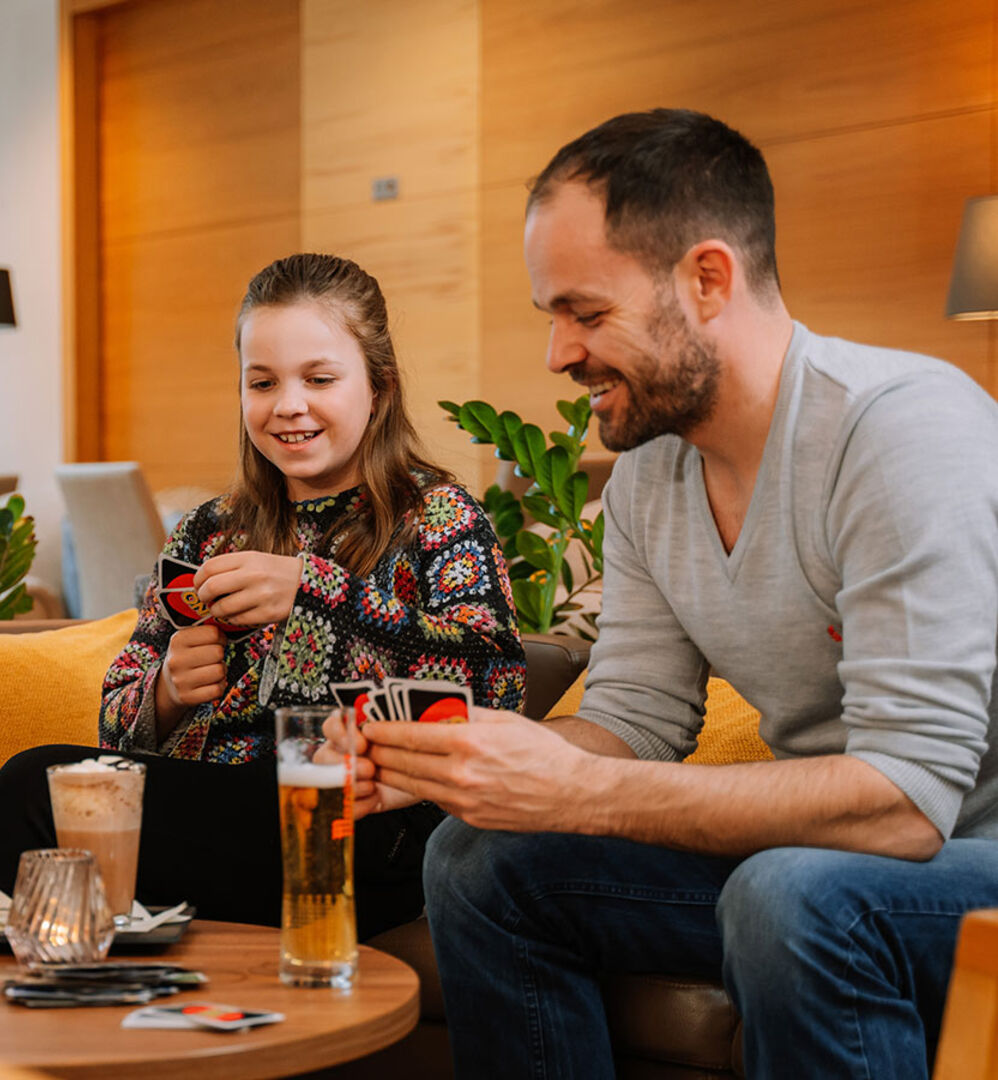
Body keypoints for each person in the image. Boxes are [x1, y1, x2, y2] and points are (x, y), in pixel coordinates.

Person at [359, 109, 998, 1078]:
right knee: (477, 862)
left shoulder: (901, 432)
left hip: (961, 854)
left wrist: (591, 790)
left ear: (705, 279)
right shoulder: (652, 477)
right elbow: (631, 719)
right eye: (551, 317)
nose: (557, 355)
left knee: (792, 898)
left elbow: (907, 804)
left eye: (584, 312)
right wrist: (456, 762)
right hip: (821, 868)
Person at [0, 253, 527, 936]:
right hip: (215, 820)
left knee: (35, 786)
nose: (288, 405)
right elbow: (116, 721)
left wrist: (312, 592)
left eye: (319, 378)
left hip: (368, 829)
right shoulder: (207, 531)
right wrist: (166, 691)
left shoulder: (436, 516)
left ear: (378, 386)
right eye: (262, 382)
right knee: (63, 792)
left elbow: (495, 683)